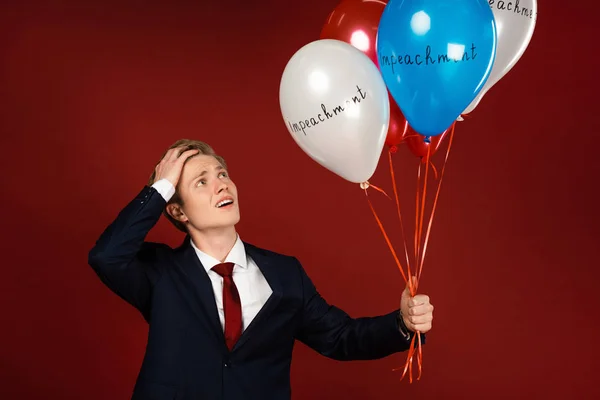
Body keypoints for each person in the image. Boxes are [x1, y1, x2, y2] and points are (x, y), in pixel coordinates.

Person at [88, 139, 434, 400]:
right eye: (201, 182)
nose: (222, 184)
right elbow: (107, 256)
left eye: (222, 174)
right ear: (178, 212)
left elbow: (340, 338)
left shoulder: (285, 274)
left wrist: (402, 324)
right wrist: (160, 188)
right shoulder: (160, 274)